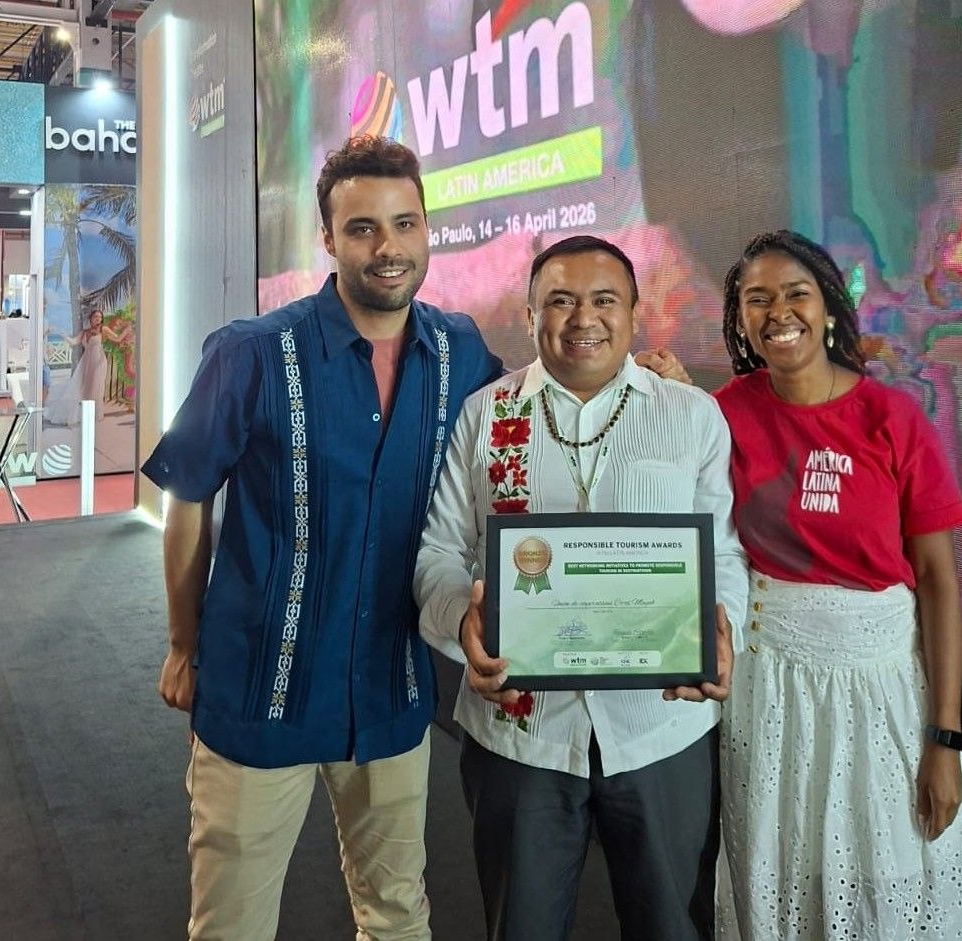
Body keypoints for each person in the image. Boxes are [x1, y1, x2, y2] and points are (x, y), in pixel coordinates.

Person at [141, 139, 688, 941]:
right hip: (263, 688)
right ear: (328, 239)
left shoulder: (458, 351)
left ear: (427, 228)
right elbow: (188, 494)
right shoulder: (252, 354)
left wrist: (641, 381)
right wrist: (183, 644)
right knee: (231, 926)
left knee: (397, 915)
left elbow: (536, 402)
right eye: (362, 228)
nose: (388, 247)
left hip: (390, 693)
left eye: (404, 224)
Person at [413, 235, 748, 941]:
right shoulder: (486, 414)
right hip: (521, 732)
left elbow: (722, 551)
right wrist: (462, 623)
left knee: (671, 927)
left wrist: (724, 633)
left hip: (660, 729)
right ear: (530, 316)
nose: (583, 318)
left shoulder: (690, 414)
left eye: (603, 300)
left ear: (634, 313)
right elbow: (441, 550)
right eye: (560, 301)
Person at [713, 230, 962, 938]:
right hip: (770, 691)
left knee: (887, 881)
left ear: (828, 307)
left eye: (795, 293)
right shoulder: (725, 412)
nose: (778, 312)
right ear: (740, 318)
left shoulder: (892, 419)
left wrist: (945, 738)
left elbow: (938, 582)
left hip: (880, 692)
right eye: (757, 299)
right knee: (781, 877)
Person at [43, 309, 128, 425]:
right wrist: (63, 334)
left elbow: (117, 339)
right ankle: (85, 413)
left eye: (100, 317)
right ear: (91, 318)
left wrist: (126, 331)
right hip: (86, 362)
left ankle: (96, 414)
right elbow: (73, 342)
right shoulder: (85, 331)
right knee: (83, 387)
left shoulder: (103, 329)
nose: (98, 319)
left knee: (95, 387)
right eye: (95, 316)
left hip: (98, 362)